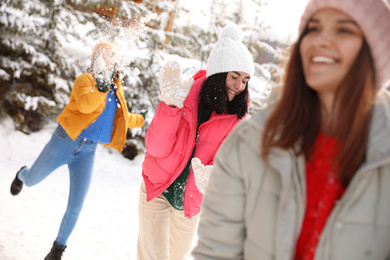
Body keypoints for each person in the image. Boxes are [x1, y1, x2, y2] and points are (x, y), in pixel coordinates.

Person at [192, 0, 390, 259]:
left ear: (374, 53)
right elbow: (216, 252)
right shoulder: (249, 143)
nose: (321, 40)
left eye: (344, 30)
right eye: (313, 28)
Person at [10, 41, 146, 260]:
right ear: (97, 58)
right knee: (32, 180)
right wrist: (100, 88)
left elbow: (122, 117)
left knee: (76, 204)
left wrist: (142, 118)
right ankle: (21, 174)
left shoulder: (116, 89)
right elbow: (85, 106)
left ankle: (56, 251)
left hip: (88, 152)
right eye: (106, 54)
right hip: (65, 141)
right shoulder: (85, 81)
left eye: (113, 54)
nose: (111, 58)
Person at [137, 23, 255, 260]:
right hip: (158, 189)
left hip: (190, 205)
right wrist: (170, 107)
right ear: (219, 73)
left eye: (245, 80)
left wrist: (216, 177)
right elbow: (155, 148)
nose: (239, 86)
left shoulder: (237, 118)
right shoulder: (184, 94)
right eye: (234, 76)